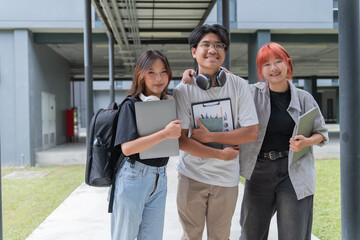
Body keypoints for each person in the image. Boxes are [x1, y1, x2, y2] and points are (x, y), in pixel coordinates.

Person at [182, 42, 329, 240]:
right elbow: (224, 81)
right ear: (261, 70)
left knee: (294, 234)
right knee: (252, 233)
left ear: (288, 64)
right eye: (266, 64)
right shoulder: (250, 93)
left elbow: (321, 133)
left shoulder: (304, 98)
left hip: (294, 171)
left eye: (278, 62)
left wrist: (306, 142)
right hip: (259, 170)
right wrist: (190, 73)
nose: (273, 68)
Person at [173, 24, 259, 240]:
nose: (213, 50)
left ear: (225, 52)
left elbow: (250, 132)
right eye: (206, 45)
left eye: (219, 46)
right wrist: (220, 153)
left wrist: (211, 137)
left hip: (226, 179)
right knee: (190, 235)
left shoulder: (239, 85)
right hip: (191, 175)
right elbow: (182, 141)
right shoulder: (183, 90)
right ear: (194, 51)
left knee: (221, 237)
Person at [111, 50, 181, 240]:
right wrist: (165, 133)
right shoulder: (130, 105)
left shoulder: (167, 102)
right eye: (151, 72)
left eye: (163, 71)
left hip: (159, 177)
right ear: (140, 74)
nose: (159, 78)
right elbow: (127, 148)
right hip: (134, 176)